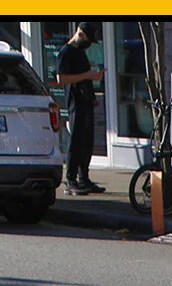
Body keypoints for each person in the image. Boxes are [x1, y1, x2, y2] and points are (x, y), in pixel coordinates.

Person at [55, 26, 105, 196]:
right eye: (87, 40)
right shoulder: (66, 52)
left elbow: (84, 75)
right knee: (76, 141)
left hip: (86, 100)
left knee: (87, 141)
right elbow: (61, 78)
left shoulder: (80, 53)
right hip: (75, 102)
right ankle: (71, 180)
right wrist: (86, 75)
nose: (88, 44)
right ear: (80, 33)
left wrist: (93, 78)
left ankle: (84, 178)